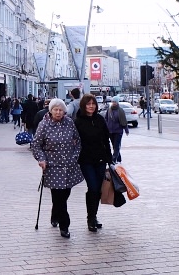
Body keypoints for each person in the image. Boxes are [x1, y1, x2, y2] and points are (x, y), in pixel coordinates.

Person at [31, 98, 83, 238]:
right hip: (53, 166)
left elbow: (77, 141)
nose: (58, 112)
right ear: (51, 110)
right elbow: (35, 144)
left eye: (61, 110)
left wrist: (75, 156)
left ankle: (55, 214)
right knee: (59, 196)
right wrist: (41, 159)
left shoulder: (69, 122)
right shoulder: (44, 124)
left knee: (64, 195)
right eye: (55, 110)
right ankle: (64, 225)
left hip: (69, 165)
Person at [73, 94, 113, 232]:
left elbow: (106, 140)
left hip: (100, 160)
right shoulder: (78, 122)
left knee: (98, 190)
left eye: (93, 104)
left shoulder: (100, 120)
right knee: (93, 188)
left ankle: (94, 216)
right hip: (86, 161)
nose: (91, 106)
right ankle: (90, 219)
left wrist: (110, 158)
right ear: (83, 106)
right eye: (88, 104)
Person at [105, 99, 129, 164]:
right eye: (113, 101)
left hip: (118, 131)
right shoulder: (109, 110)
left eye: (115, 102)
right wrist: (106, 126)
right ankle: (119, 159)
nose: (114, 103)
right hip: (110, 131)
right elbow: (106, 119)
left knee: (116, 146)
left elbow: (124, 121)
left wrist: (126, 130)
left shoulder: (120, 111)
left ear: (117, 102)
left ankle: (113, 159)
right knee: (114, 146)